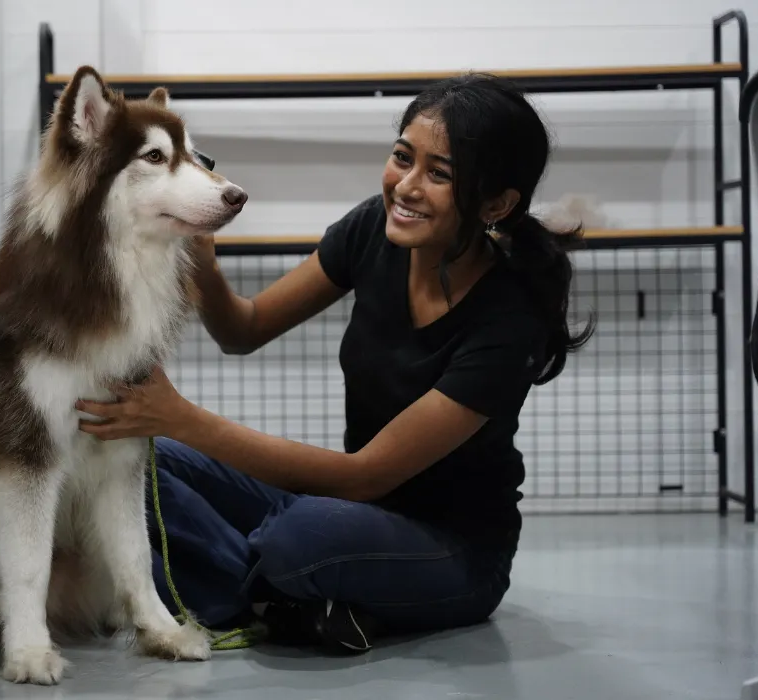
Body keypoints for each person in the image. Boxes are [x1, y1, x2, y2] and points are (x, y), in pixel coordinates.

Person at [75, 73, 596, 654]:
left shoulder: (508, 319)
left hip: (452, 550)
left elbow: (367, 474)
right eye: (403, 157)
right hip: (350, 511)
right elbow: (243, 330)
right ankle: (278, 597)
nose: (408, 186)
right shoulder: (373, 226)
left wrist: (181, 417)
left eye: (440, 174)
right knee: (144, 460)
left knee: (301, 535)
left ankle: (255, 586)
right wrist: (202, 258)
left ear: (496, 203)